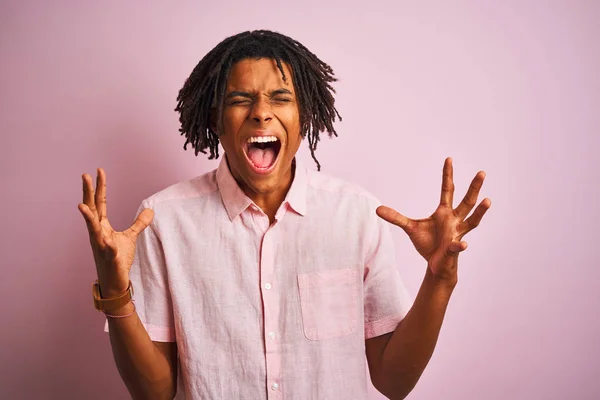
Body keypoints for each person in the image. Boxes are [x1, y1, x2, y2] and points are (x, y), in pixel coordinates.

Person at [79, 30, 491, 400]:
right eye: (240, 100)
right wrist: (116, 294)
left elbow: (394, 381)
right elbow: (153, 393)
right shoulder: (162, 221)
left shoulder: (358, 215)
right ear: (216, 121)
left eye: (281, 98)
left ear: (305, 117)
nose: (261, 112)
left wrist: (439, 280)